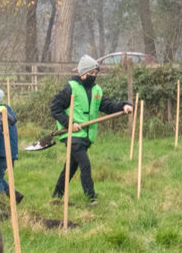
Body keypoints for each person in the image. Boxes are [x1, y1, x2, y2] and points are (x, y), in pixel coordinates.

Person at [49, 55, 130, 205]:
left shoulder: (96, 90)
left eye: (95, 74)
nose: (93, 77)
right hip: (73, 135)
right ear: (82, 73)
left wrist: (123, 105)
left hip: (86, 135)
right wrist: (69, 123)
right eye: (91, 74)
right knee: (85, 164)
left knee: (70, 168)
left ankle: (56, 196)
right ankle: (91, 198)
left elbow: (107, 105)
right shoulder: (71, 88)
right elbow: (55, 107)